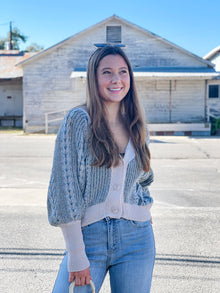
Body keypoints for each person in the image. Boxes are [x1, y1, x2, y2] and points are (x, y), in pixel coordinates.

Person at [47, 45, 155, 293]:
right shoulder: (78, 120)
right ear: (93, 78)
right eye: (107, 72)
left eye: (123, 72)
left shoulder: (137, 125)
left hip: (137, 239)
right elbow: (65, 188)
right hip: (88, 238)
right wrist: (75, 253)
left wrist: (143, 209)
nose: (116, 79)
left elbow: (144, 177)